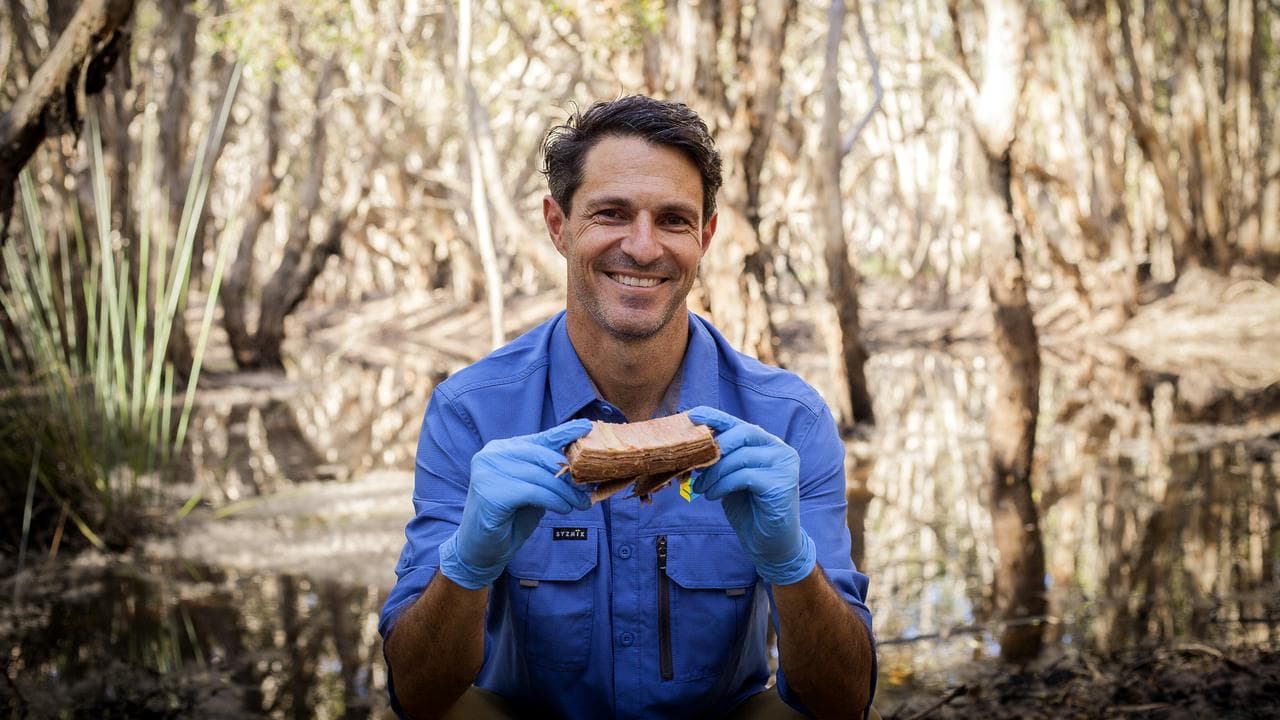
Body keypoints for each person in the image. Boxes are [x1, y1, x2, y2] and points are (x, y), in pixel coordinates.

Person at [380, 95, 877, 719]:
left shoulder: (788, 418)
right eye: (611, 214)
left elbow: (847, 701)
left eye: (673, 219)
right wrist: (468, 564)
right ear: (559, 225)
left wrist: (792, 563)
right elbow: (415, 696)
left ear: (707, 235)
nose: (642, 248)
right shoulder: (472, 412)